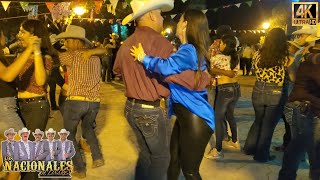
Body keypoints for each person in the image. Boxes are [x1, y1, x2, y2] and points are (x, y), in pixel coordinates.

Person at [131, 9, 214, 180]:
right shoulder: (188, 50)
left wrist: (143, 57)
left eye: (179, 19)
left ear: (186, 24)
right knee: (174, 161)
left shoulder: (189, 50)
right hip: (186, 116)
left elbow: (166, 67)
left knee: (190, 171)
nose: (176, 23)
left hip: (196, 117)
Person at [56, 25, 105, 178]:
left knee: (68, 134)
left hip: (76, 101)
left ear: (77, 41)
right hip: (94, 102)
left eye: (68, 41)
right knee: (88, 129)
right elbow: (105, 50)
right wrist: (94, 50)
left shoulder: (71, 55)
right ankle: (97, 158)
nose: (65, 45)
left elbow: (54, 56)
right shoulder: (96, 57)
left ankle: (79, 168)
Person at [243, 28, 295, 162]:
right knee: (268, 125)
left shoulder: (258, 54)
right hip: (276, 92)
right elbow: (293, 77)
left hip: (258, 89)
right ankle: (261, 155)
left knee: (258, 120)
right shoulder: (286, 57)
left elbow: (254, 70)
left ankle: (249, 148)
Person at [278, 25, 320, 180]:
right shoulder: (312, 57)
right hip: (311, 109)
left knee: (295, 148)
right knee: (313, 155)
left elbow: (294, 77)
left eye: (302, 35)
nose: (299, 38)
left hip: (300, 104)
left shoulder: (304, 55)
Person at [16, 20, 54, 140]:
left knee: (31, 146)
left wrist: (36, 50)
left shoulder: (45, 58)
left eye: (22, 32)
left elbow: (40, 81)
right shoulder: (20, 55)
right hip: (18, 105)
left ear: (34, 35)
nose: (18, 35)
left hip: (37, 107)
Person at [205, 34, 241, 159]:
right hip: (236, 89)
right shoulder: (235, 57)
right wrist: (228, 73)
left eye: (221, 43)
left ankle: (218, 150)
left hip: (224, 90)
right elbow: (233, 73)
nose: (219, 45)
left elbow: (212, 70)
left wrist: (218, 71)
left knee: (218, 119)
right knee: (230, 115)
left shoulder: (218, 57)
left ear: (225, 44)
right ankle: (235, 141)